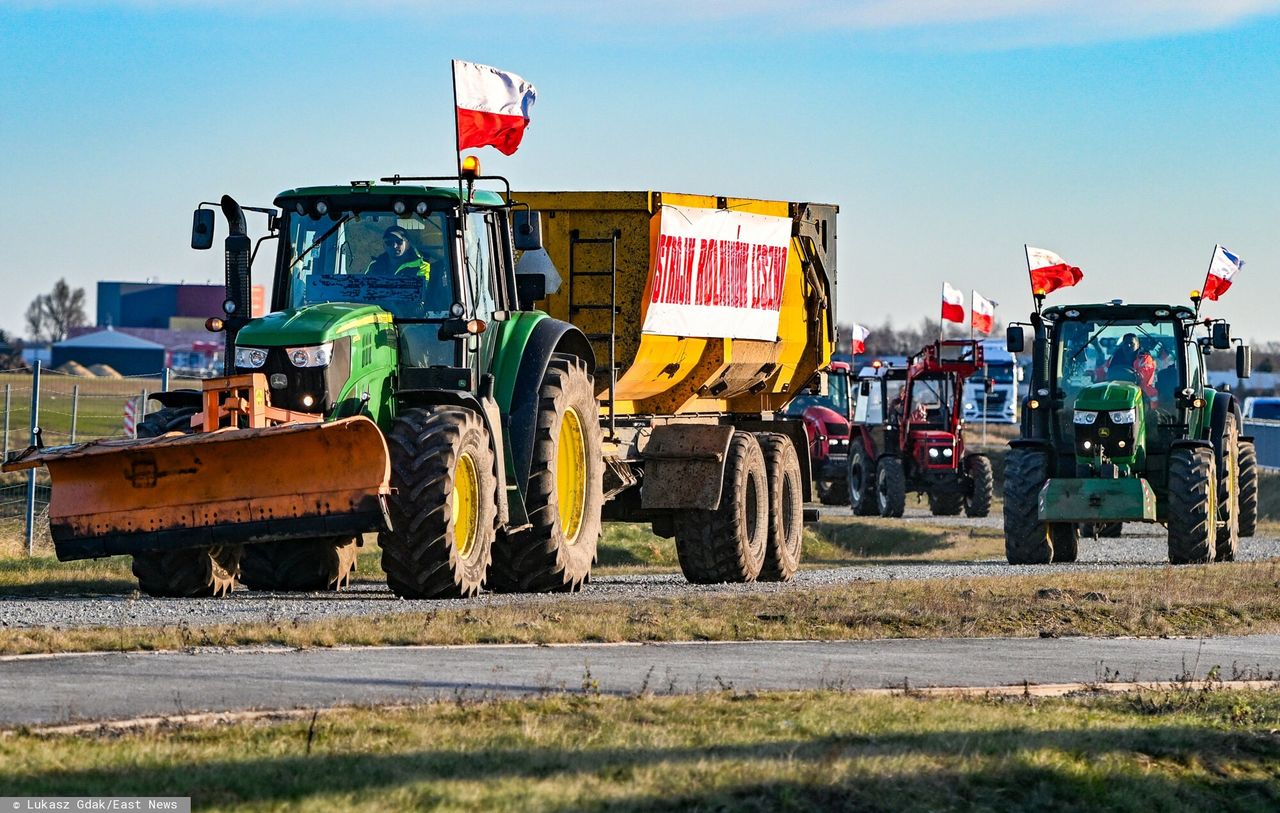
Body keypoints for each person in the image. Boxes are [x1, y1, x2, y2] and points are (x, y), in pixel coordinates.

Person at [365, 226, 431, 278]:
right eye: (389, 242)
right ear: (384, 246)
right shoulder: (374, 266)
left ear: (408, 244)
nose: (394, 246)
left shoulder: (422, 266)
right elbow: (364, 289)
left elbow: (424, 291)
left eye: (399, 241)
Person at [1107, 333, 1157, 398]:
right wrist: (1093, 373)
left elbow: (1143, 378)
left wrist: (1123, 374)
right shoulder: (1114, 358)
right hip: (1117, 391)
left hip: (1143, 394)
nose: (1128, 345)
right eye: (1125, 343)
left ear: (1138, 345)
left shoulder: (1145, 358)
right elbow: (1104, 372)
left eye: (1131, 343)